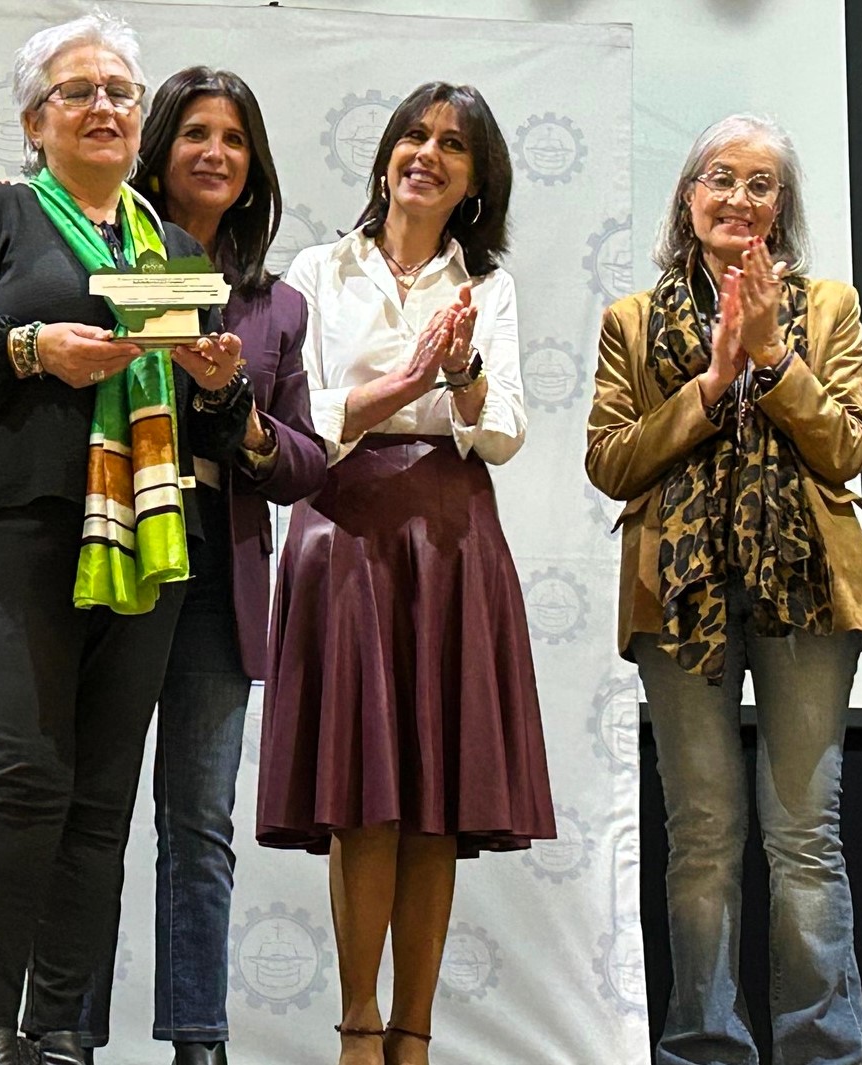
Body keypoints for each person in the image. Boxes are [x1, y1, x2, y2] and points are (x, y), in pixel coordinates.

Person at [0, 14, 254, 1065]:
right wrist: (29, 348)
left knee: (100, 797)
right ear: (34, 122)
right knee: (25, 775)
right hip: (18, 525)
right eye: (77, 91)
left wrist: (220, 387)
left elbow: (208, 413)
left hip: (149, 535)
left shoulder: (174, 248)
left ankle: (59, 1031)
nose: (103, 107)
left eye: (120, 93)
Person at [256, 82, 555, 1065]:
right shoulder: (315, 270)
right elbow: (304, 416)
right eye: (414, 137)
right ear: (385, 156)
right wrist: (406, 384)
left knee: (436, 796)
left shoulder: (488, 288)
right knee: (361, 789)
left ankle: (413, 1033)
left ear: (476, 183)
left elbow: (501, 431)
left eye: (453, 146)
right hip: (341, 527)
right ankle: (357, 1026)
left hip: (452, 536)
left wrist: (460, 374)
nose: (427, 154)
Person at [586, 114, 862, 1065]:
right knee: (704, 835)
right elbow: (611, 460)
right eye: (721, 178)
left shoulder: (827, 308)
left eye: (761, 185)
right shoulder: (632, 321)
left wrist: (773, 358)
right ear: (690, 196)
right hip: (680, 598)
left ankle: (820, 1050)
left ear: (781, 207)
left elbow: (848, 446)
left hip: (808, 594)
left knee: (804, 837)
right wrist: (713, 382)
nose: (739, 199)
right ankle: (705, 1046)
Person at [72, 66, 326, 1065]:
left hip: (220, 575)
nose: (214, 153)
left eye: (234, 138)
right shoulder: (105, 262)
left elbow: (302, 461)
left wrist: (241, 415)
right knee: (90, 807)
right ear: (157, 149)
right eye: (194, 134)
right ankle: (66, 1030)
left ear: (253, 164)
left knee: (200, 822)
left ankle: (198, 1039)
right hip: (116, 554)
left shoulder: (275, 305)